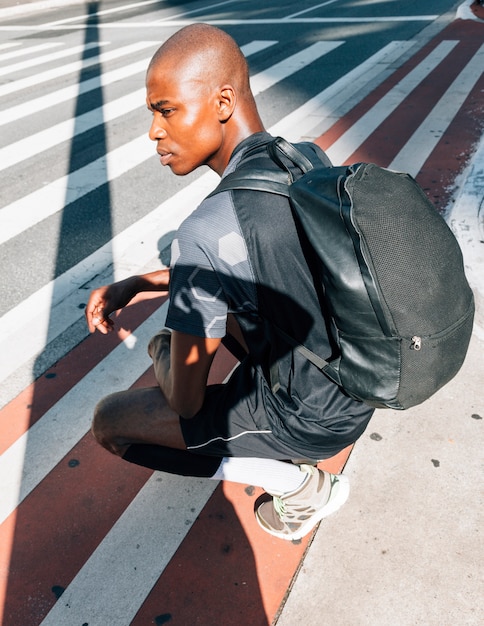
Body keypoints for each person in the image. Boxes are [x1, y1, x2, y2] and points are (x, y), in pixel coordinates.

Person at [85, 23, 374, 541]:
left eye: (165, 109)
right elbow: (261, 263)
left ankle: (298, 487)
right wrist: (144, 282)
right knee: (200, 316)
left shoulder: (206, 229)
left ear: (222, 101)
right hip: (355, 380)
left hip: (312, 417)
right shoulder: (303, 157)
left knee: (111, 423)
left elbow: (187, 402)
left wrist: (164, 353)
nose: (154, 131)